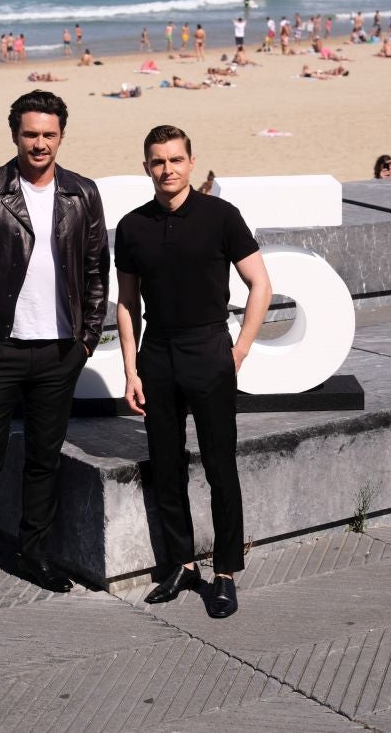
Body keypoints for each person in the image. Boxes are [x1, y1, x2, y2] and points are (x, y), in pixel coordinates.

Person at [0, 89, 109, 611]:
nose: (39, 143)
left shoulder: (82, 193)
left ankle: (33, 555)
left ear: (61, 136)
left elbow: (96, 269)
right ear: (15, 134)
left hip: (60, 351)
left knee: (44, 459)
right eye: (30, 134)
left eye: (48, 134)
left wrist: (87, 339)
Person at [115, 125, 271, 618]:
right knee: (166, 465)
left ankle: (224, 572)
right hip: (156, 352)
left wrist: (239, 351)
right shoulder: (132, 226)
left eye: (176, 160)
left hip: (209, 348)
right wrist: (130, 369)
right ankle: (181, 564)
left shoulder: (221, 216)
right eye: (158, 162)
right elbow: (126, 302)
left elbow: (260, 284)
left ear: (190, 161)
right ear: (147, 167)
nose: (168, 170)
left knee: (220, 466)